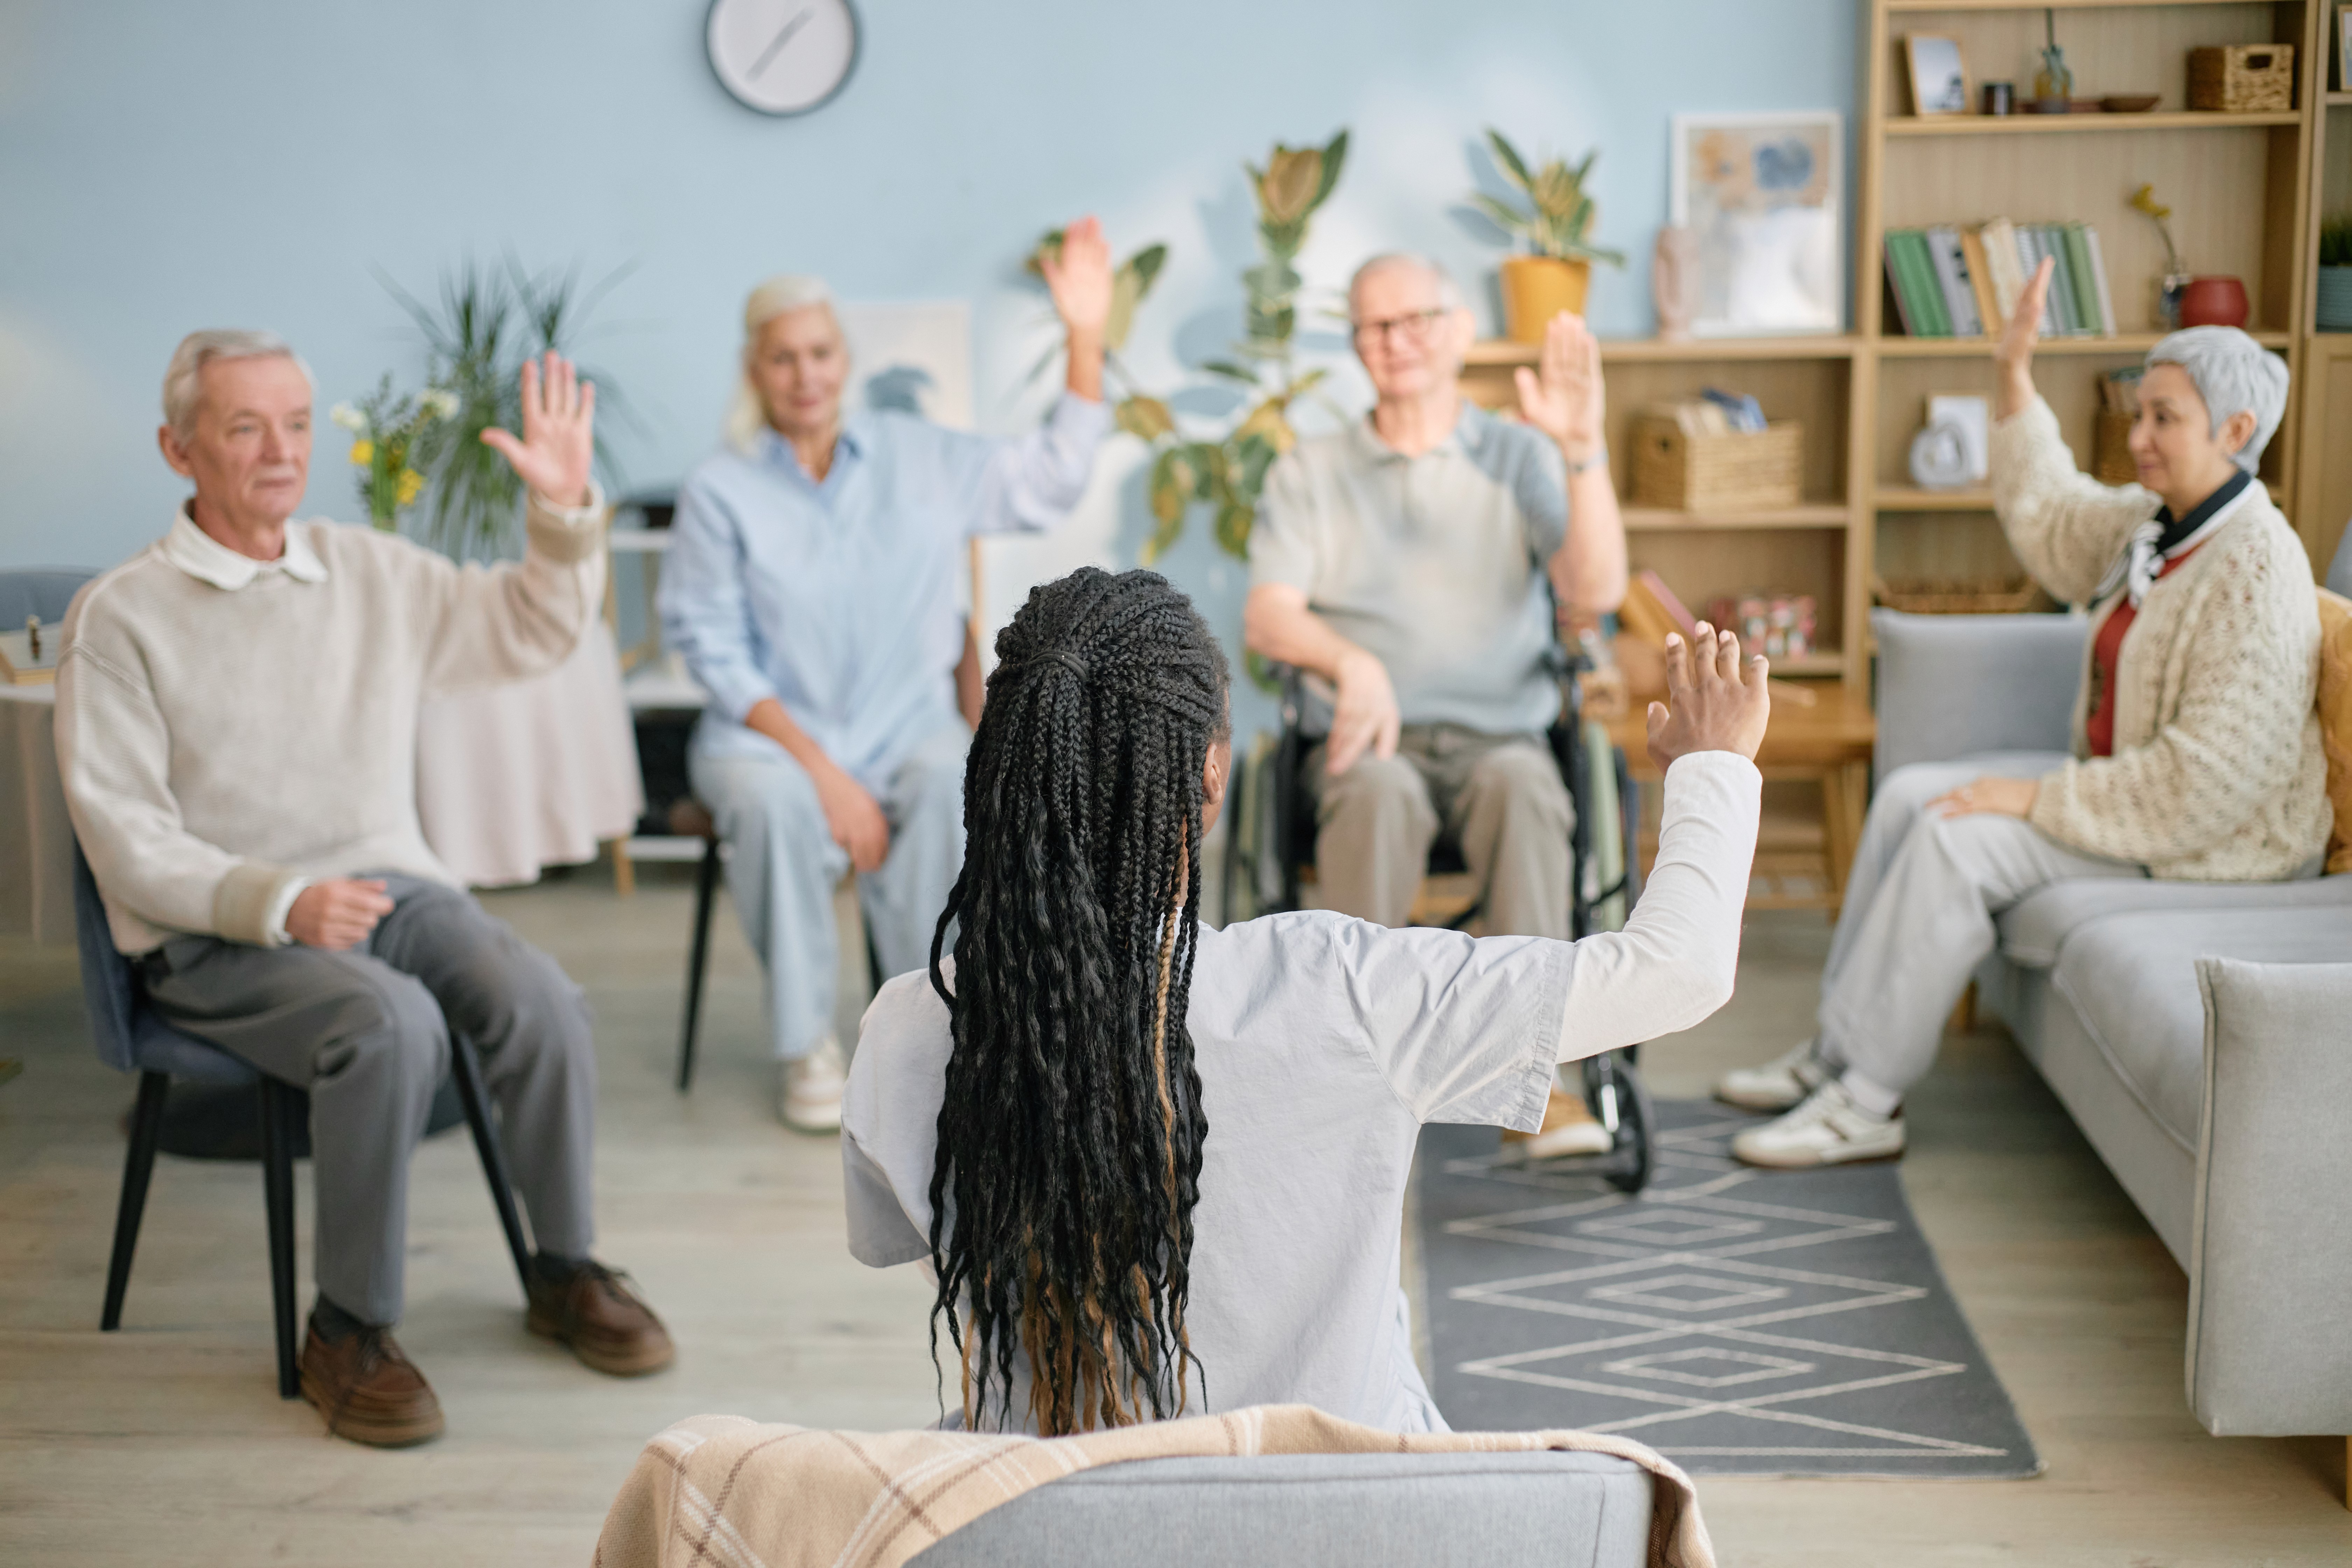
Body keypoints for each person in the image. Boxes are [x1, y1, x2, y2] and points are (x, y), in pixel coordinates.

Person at [842, 567, 1766, 1435]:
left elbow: (912, 1239)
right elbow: (1678, 970)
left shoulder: (907, 1030)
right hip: (1343, 1520)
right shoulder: (1344, 990)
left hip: (1053, 1520)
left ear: (1005, 772)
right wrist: (1715, 764)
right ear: (1210, 779)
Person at [54, 333, 671, 1447]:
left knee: (537, 994)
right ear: (177, 448)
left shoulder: (371, 572)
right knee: (388, 1025)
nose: (281, 451)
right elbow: (126, 841)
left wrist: (565, 509)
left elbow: (529, 629)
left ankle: (565, 1266)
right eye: (245, 427)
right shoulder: (122, 617)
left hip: (387, 883)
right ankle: (347, 1327)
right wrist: (281, 903)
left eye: (295, 423)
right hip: (221, 932)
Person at [1718, 260, 2330, 1168]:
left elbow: (2209, 784)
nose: (2141, 436)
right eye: (2142, 412)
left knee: (1958, 838)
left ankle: (1868, 1101)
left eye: (2167, 418)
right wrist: (2013, 374)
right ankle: (1836, 1054)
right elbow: (2052, 514)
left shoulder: (2258, 568)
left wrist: (2033, 801)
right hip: (2129, 794)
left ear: (2238, 431)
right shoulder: (2159, 523)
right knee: (1908, 798)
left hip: (2214, 840)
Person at [659, 220, 1117, 1133]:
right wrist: (825, 774)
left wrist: (1085, 335)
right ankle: (806, 1049)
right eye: (783, 357)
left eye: (821, 352)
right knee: (780, 806)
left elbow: (1053, 478)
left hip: (904, 728)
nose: (806, 374)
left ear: (845, 359)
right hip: (769, 741)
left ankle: (925, 1025)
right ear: (756, 371)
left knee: (952, 777)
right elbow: (713, 649)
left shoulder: (920, 457)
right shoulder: (721, 489)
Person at [1241, 252, 1631, 1159]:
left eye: (1417, 319)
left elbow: (1595, 585)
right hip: (1368, 739)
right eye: (1377, 327)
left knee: (1528, 793)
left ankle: (1533, 1090)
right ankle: (1359, 1084)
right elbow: (1268, 614)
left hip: (1501, 735)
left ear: (1459, 331)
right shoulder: (1315, 470)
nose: (1399, 342)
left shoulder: (1518, 453)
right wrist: (1352, 663)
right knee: (1378, 797)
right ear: (1357, 347)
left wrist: (1582, 451)